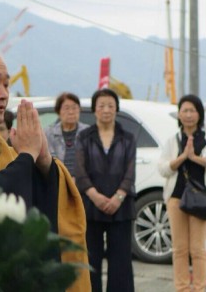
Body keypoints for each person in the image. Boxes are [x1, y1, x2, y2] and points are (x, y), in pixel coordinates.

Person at [0, 45, 90, 291]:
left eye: (6, 85)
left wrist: (43, 161)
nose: (4, 94)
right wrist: (26, 155)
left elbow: (32, 198)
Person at [158, 94, 206, 292]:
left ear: (199, 114)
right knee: (179, 249)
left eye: (192, 111)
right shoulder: (173, 140)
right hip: (175, 197)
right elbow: (162, 168)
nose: (188, 115)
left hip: (200, 198)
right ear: (179, 114)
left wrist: (195, 158)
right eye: (184, 110)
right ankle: (182, 288)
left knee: (197, 249)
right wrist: (181, 158)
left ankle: (199, 288)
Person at [75, 88, 136, 292]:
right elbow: (80, 171)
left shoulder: (128, 138)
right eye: (101, 106)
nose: (106, 110)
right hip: (91, 206)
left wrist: (118, 197)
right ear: (94, 110)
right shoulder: (84, 136)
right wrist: (95, 195)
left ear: (117, 109)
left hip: (121, 206)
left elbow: (130, 172)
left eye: (110, 105)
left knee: (121, 260)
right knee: (91, 257)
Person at [45, 92, 89, 175]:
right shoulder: (48, 133)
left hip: (82, 183)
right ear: (58, 111)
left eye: (74, 108)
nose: (71, 112)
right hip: (57, 181)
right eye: (66, 108)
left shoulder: (88, 132)